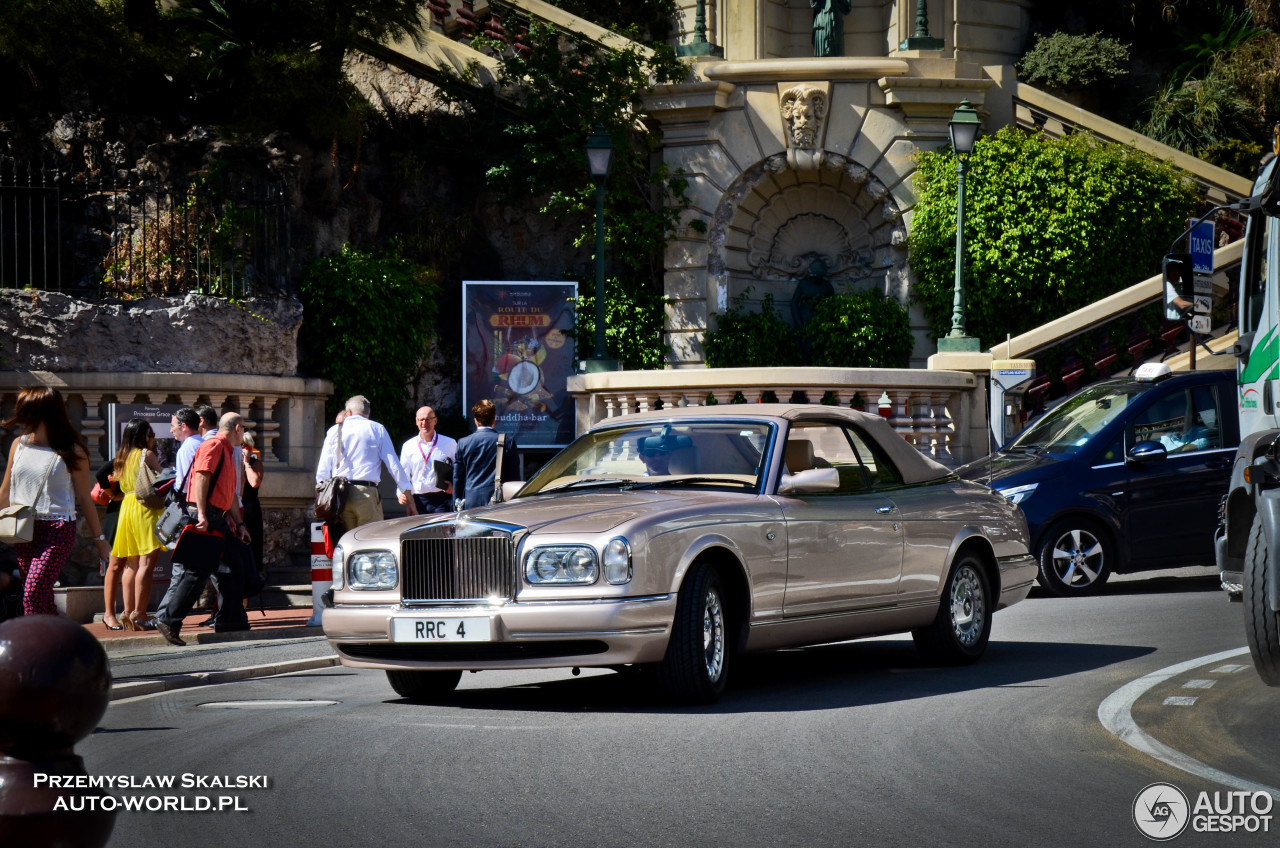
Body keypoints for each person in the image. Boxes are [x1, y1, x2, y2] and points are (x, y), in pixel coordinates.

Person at [0, 386, 112, 616]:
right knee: (42, 596)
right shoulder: (18, 445)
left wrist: (100, 542)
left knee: (32, 592)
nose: (20, 415)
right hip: (24, 529)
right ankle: (61, 644)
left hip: (57, 529)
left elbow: (84, 498)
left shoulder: (72, 451)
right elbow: (5, 490)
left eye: (25, 410)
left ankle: (35, 647)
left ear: (42, 412)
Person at [154, 413, 252, 646]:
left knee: (234, 565)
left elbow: (228, 495)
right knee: (197, 572)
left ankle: (230, 618)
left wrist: (238, 524)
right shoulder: (214, 445)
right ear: (237, 428)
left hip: (218, 516)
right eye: (244, 429)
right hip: (205, 515)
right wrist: (201, 513)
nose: (245, 433)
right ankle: (169, 621)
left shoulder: (227, 449)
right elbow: (201, 478)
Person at [315, 395, 416, 529]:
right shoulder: (376, 428)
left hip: (340, 496)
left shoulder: (334, 431)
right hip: (366, 494)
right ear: (367, 413)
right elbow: (394, 465)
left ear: (348, 412)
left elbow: (322, 469)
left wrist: (323, 497)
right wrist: (410, 500)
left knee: (346, 543)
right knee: (369, 542)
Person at [108, 418, 166, 630]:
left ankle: (126, 611)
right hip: (145, 508)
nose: (153, 440)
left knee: (130, 564)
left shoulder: (121, 457)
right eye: (151, 435)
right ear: (144, 437)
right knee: (146, 564)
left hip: (127, 508)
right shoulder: (147, 455)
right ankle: (140, 613)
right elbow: (163, 478)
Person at [454, 399, 519, 509]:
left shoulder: (463, 443)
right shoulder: (507, 441)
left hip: (471, 501)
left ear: (475, 420)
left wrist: (456, 504)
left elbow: (458, 478)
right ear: (494, 419)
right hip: (499, 500)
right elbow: (514, 476)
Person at [398, 405, 456, 515]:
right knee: (419, 532)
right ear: (416, 421)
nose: (424, 423)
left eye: (428, 419)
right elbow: (403, 475)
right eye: (421, 420)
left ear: (435, 421)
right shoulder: (408, 446)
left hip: (442, 500)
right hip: (418, 501)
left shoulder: (449, 443)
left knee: (441, 532)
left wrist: (454, 487)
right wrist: (400, 494)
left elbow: (459, 469)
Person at [94, 458, 124, 628]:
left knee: (131, 564)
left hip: (133, 513)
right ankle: (109, 614)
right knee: (114, 563)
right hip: (117, 513)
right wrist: (113, 494)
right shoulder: (123, 458)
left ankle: (129, 612)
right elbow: (99, 473)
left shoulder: (146, 456)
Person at [240, 430, 265, 588]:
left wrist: (247, 463)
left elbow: (255, 482)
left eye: (244, 446)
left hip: (250, 510)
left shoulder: (255, 464)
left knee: (252, 549)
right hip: (236, 510)